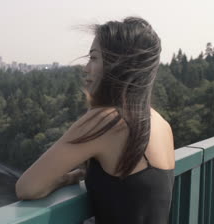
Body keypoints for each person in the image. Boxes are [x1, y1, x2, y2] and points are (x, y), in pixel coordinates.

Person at [15, 16, 175, 224]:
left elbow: (27, 187)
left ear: (118, 64)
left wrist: (68, 178)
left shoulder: (106, 121)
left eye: (93, 58)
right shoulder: (162, 124)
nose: (86, 68)